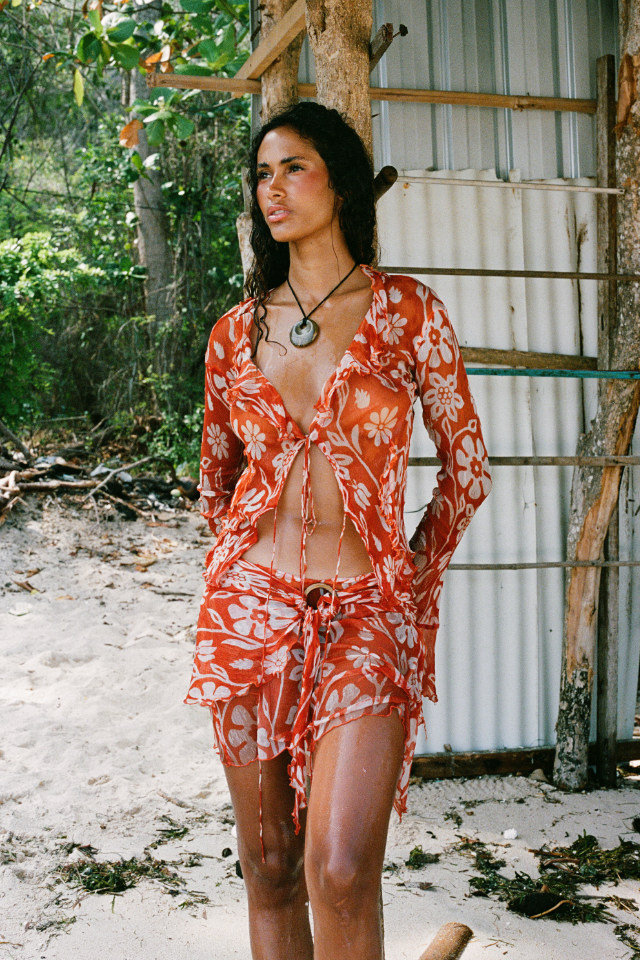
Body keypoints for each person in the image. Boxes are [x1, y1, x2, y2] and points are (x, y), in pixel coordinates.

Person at [185, 101, 491, 960]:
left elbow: (467, 470)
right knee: (270, 864)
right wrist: (242, 574)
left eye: (295, 168)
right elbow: (216, 483)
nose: (272, 189)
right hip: (249, 619)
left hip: (367, 612)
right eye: (262, 174)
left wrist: (407, 580)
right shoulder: (234, 333)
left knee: (344, 868)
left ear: (342, 184)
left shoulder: (408, 313)